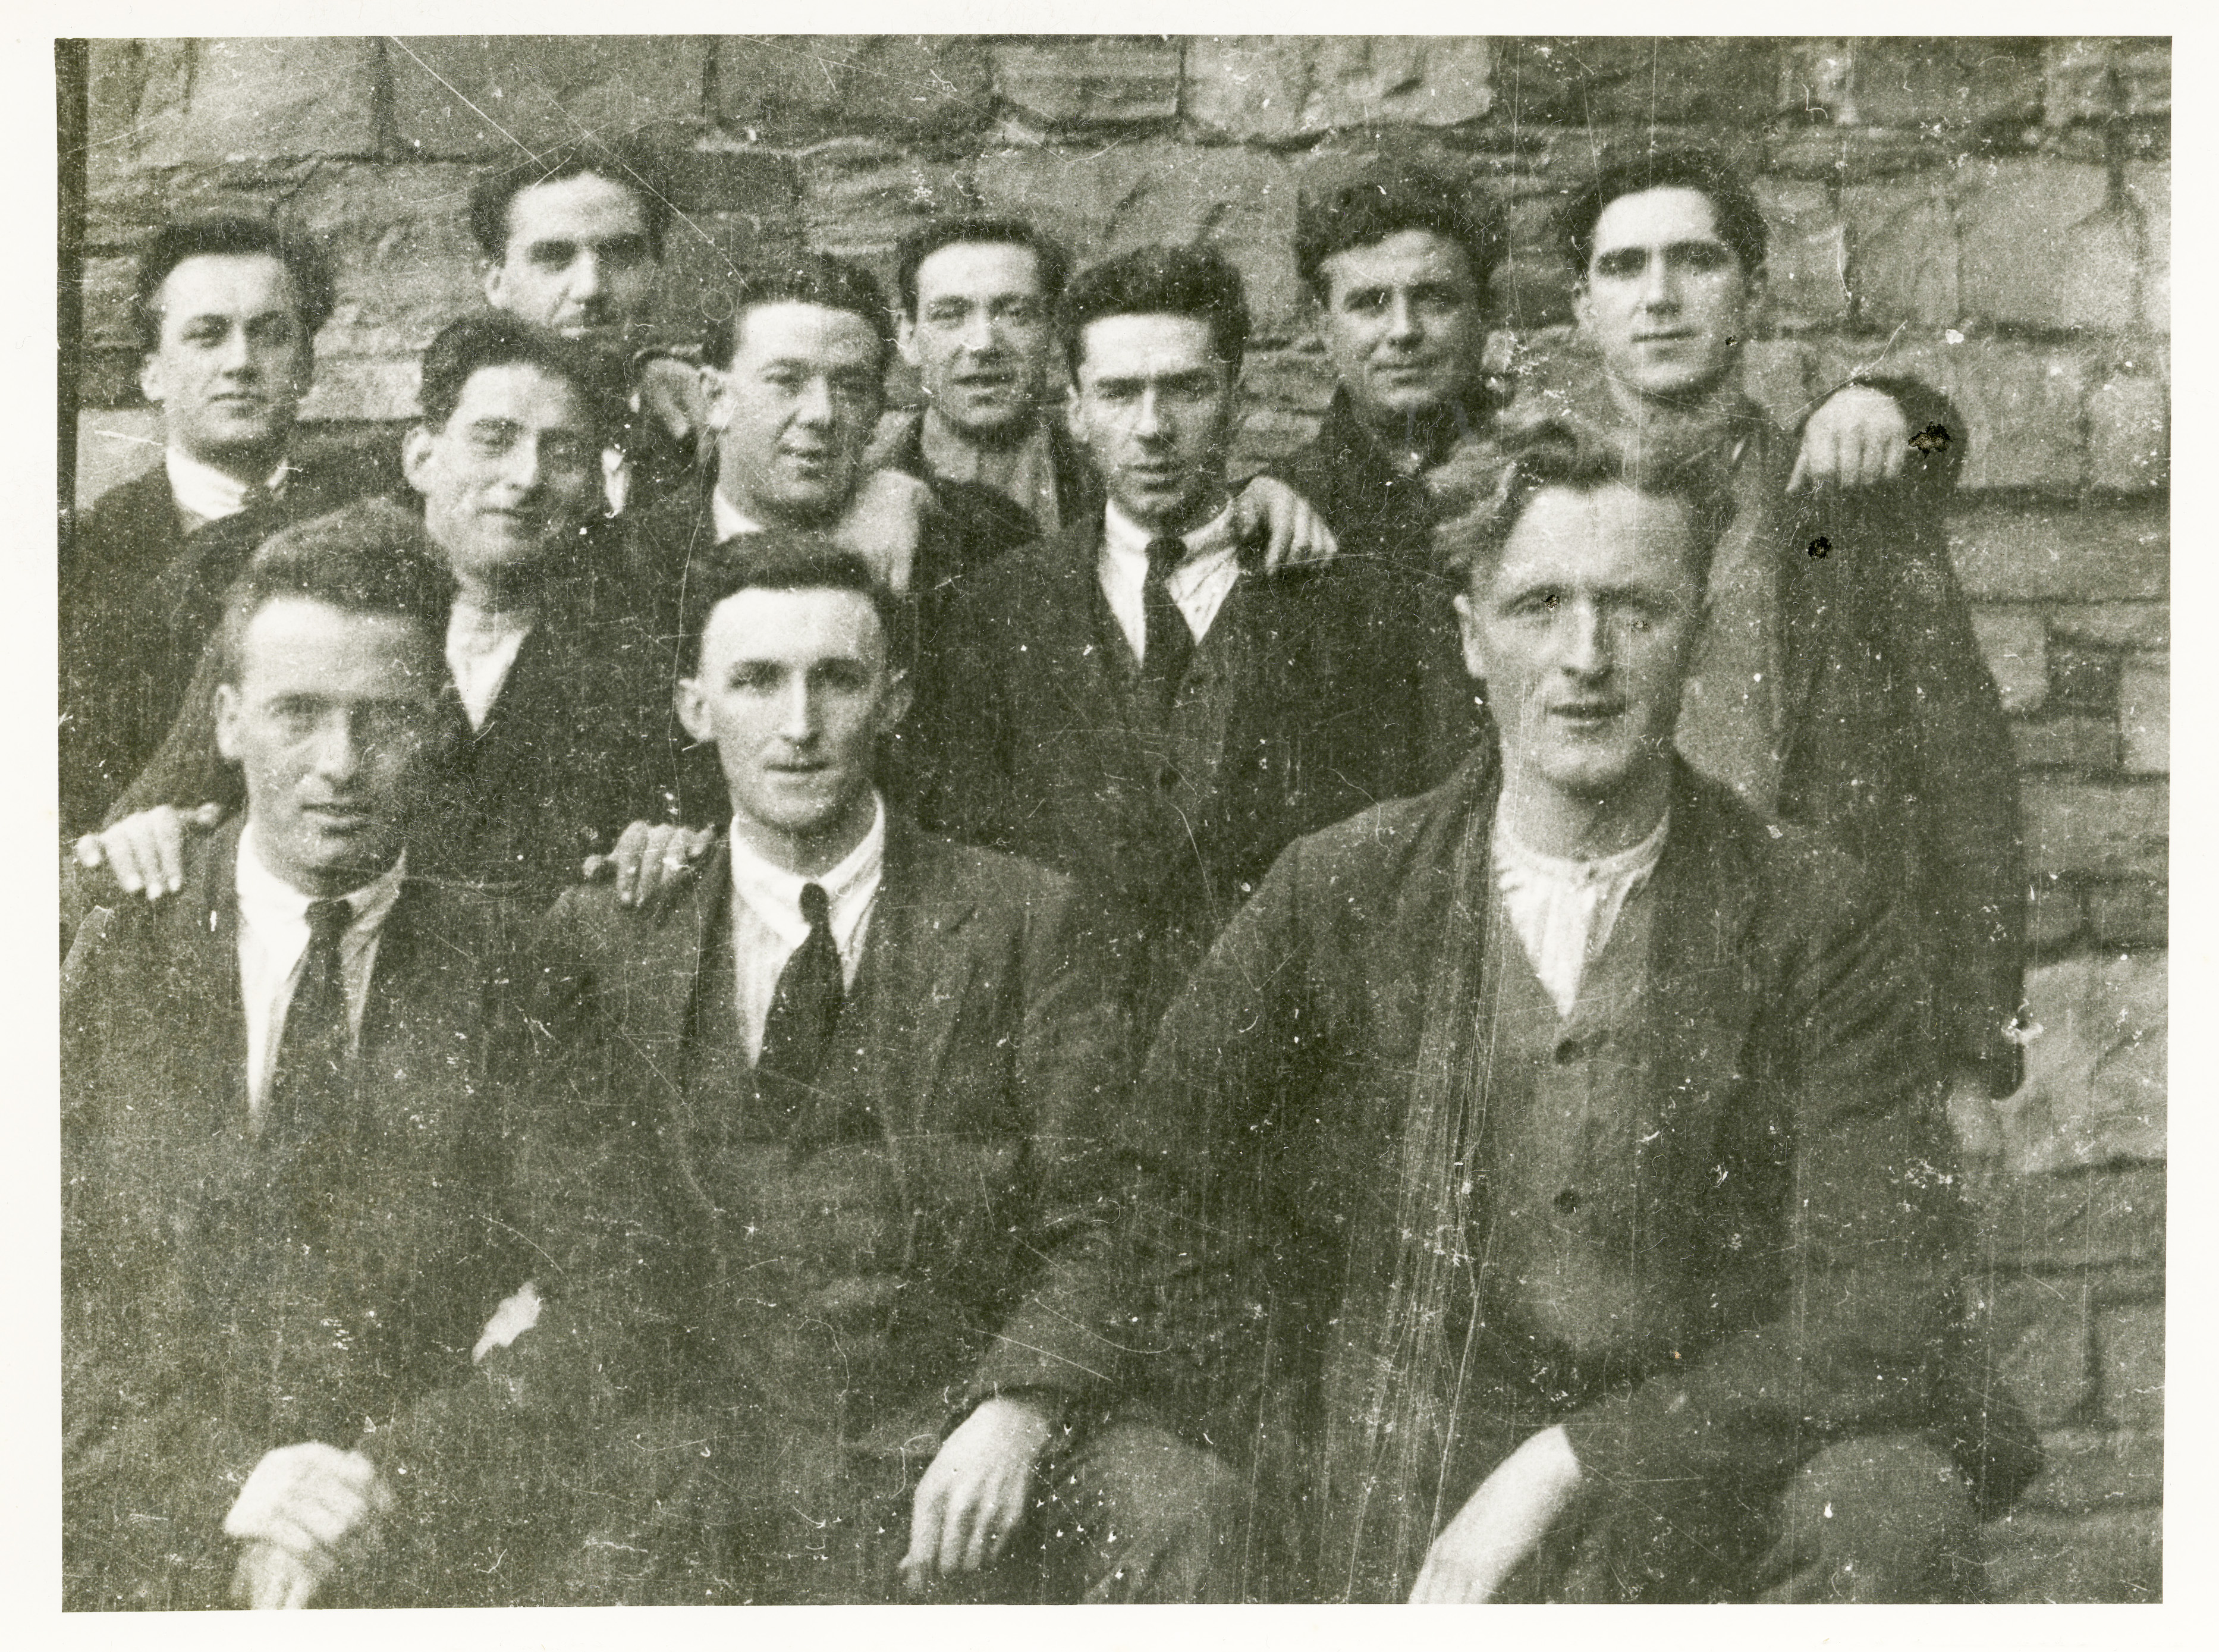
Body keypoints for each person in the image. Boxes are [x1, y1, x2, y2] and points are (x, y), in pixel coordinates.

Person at [1120, 435, 2036, 1604]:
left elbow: (1882, 1304)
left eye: (1635, 610)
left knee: (1890, 1511)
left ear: (1699, 634)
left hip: (1709, 1471)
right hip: (1407, 1466)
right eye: (1539, 606)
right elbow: (1165, 1180)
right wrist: (1293, 1430)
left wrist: (1570, 1460)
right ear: (1471, 636)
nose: (1585, 658)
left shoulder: (1812, 910)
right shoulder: (1344, 887)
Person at [356, 541, 1239, 1604]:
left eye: (838, 679)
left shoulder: (1024, 919)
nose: (800, 723)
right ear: (693, 707)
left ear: (895, 699)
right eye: (757, 680)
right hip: (708, 1447)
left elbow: (1105, 1211)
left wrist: (1022, 1405)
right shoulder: (606, 930)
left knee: (1177, 1505)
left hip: (955, 1424)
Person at [62, 507, 526, 1610]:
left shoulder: (519, 969)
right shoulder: (120, 951)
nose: (340, 765)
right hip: (148, 1535)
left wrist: (375, 1486)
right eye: (297, 714)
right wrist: (230, 1481)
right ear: (228, 722)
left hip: (418, 1542)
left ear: (437, 725)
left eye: (384, 718)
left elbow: (611, 1289)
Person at [1525, 143, 2023, 1100]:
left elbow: (1966, 780)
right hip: (1599, 1009)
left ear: (1751, 293)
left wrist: (1973, 1066)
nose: (1660, 297)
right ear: (1583, 309)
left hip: (1825, 1015)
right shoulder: (1534, 511)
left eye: (1696, 261)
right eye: (1624, 268)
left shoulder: (1848, 501)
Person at [917, 243, 1445, 1037]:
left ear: (1236, 401)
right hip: (1068, 1062)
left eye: (1186, 390)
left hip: (1291, 1062)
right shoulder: (995, 612)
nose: (1153, 428)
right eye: (1119, 393)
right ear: (1076, 411)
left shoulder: (1357, 607)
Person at [84, 313, 689, 909]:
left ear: (592, 485)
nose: (527, 477)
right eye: (493, 441)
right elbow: (147, 822)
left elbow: (680, 832)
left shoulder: (630, 647)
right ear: (422, 457)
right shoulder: (309, 612)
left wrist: (666, 845)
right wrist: (148, 834)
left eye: (564, 453)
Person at [61, 213, 386, 835]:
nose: (241, 362)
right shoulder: (84, 555)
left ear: (307, 368)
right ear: (152, 372)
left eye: (271, 335)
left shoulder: (371, 530)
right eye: (207, 336)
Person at [876, 214, 1338, 566]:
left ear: (1053, 331)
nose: (983, 344)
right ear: (908, 336)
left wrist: (1259, 498)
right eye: (949, 315)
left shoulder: (1118, 466)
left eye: (1016, 313)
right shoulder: (865, 490)